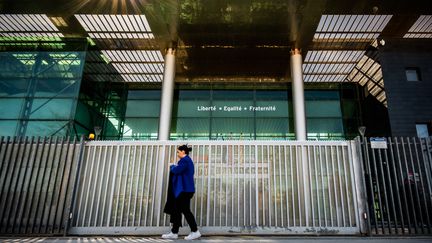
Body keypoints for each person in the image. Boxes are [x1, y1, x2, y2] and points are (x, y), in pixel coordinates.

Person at [162, 145, 201, 240]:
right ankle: (174, 232)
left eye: (178, 152)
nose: (177, 153)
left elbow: (177, 170)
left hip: (185, 190)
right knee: (177, 210)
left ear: (183, 152)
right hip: (186, 190)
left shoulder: (185, 161)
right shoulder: (187, 161)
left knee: (185, 210)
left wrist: (172, 166)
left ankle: (195, 231)